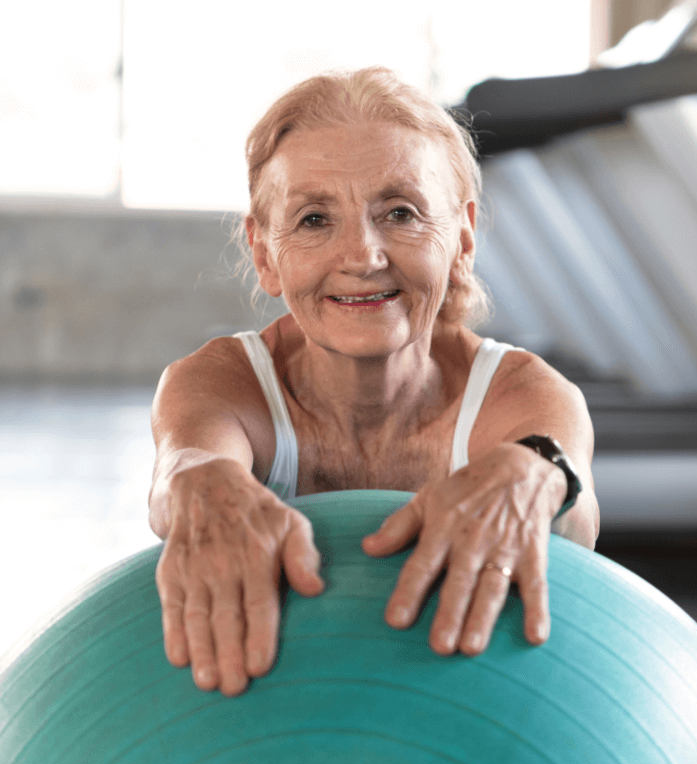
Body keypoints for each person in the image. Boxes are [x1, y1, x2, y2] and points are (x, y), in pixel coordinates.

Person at [148, 67, 599, 697]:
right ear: (262, 252)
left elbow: (566, 487)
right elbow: (186, 465)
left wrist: (536, 474)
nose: (362, 256)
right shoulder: (221, 383)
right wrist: (198, 484)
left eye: (400, 212)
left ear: (462, 238)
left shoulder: (523, 393)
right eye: (312, 220)